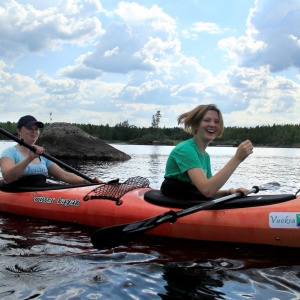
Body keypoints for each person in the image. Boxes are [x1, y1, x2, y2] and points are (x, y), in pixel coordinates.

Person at [160, 104, 253, 200]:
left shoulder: (206, 156)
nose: (212, 124)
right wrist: (237, 158)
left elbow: (209, 187)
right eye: (207, 120)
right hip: (176, 200)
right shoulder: (185, 149)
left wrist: (229, 192)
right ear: (196, 125)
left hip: (190, 198)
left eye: (216, 121)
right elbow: (207, 190)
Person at [0, 115, 102, 186]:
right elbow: (8, 178)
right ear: (18, 131)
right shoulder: (9, 153)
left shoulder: (41, 154)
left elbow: (64, 175)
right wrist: (29, 158)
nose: (34, 131)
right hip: (18, 191)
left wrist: (88, 181)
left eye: (36, 129)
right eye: (30, 128)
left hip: (40, 191)